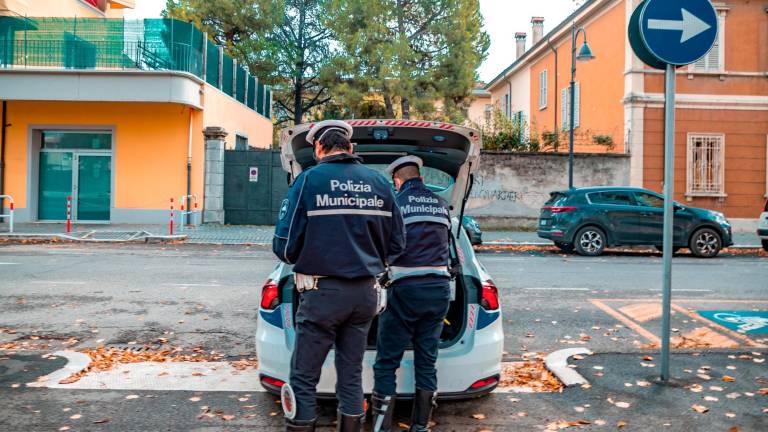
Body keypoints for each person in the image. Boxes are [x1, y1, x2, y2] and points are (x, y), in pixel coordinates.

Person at [273, 120, 406, 432]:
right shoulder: (379, 183)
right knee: (351, 373)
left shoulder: (308, 181)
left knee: (304, 376)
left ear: (319, 148)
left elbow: (284, 246)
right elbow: (399, 243)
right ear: (351, 148)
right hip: (365, 295)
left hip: (322, 295)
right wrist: (373, 260)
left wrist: (309, 254)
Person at [371, 156, 452, 432]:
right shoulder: (441, 205)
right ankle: (420, 427)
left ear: (397, 180)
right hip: (439, 291)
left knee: (386, 363)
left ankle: (382, 428)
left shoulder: (396, 204)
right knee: (426, 362)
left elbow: (382, 247)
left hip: (405, 291)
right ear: (422, 178)